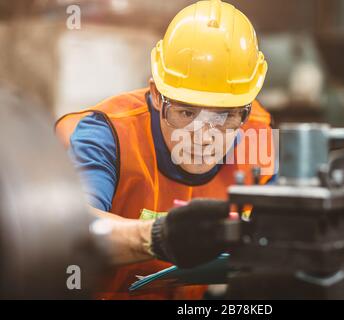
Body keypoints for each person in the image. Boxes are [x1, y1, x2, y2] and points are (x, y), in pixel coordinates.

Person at [55, 0, 275, 299]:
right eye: (186, 113)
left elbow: (283, 226)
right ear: (157, 95)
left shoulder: (257, 133)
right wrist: (158, 236)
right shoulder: (108, 135)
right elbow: (76, 231)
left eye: (225, 115)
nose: (204, 136)